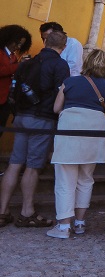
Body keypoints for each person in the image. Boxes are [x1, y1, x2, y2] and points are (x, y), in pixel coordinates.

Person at [0, 30, 70, 227]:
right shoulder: (60, 65)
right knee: (32, 167)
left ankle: (2, 211)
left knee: (14, 164)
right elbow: (61, 94)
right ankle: (27, 211)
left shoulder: (26, 63)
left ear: (45, 42)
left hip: (21, 117)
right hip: (42, 118)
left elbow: (14, 89)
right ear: (63, 47)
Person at [47, 49, 105, 239]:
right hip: (94, 133)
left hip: (70, 131)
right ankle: (80, 223)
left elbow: (56, 108)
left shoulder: (70, 82)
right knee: (86, 178)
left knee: (65, 180)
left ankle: (63, 226)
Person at [0, 24, 32, 142]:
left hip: (6, 99)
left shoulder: (12, 56)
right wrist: (18, 65)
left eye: (21, 45)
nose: (18, 47)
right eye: (17, 43)